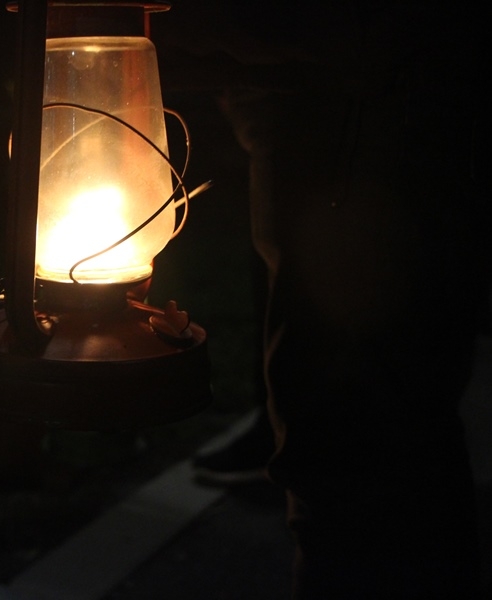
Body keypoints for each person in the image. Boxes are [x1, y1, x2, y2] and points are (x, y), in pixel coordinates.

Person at [154, 2, 488, 597]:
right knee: (361, 425)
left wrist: (175, 22)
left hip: (363, 114)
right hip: (337, 106)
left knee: (356, 428)